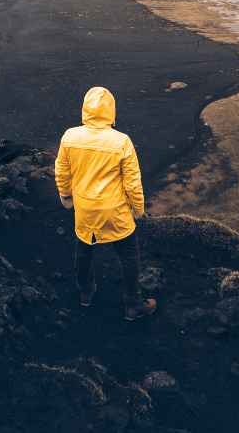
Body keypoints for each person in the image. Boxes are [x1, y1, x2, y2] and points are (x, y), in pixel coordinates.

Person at [54, 86, 158, 320]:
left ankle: (85, 294)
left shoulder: (70, 136)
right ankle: (133, 305)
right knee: (129, 254)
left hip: (85, 209)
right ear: (111, 110)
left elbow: (62, 171)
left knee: (84, 250)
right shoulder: (121, 141)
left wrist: (66, 196)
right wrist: (138, 209)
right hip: (115, 210)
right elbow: (133, 182)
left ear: (85, 109)